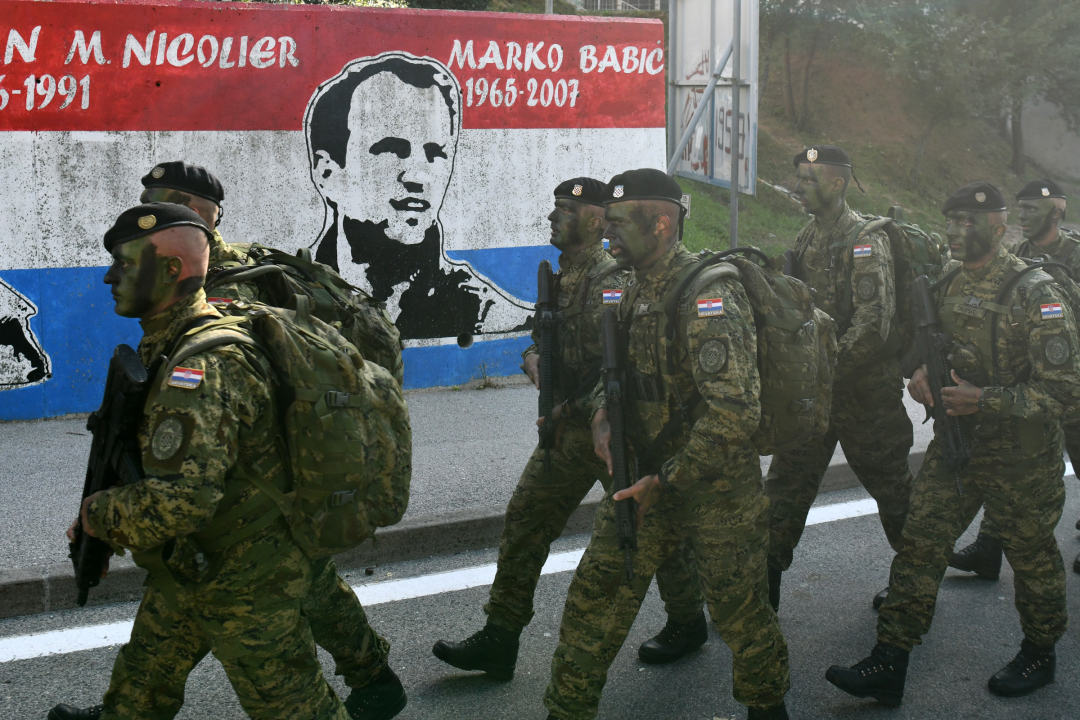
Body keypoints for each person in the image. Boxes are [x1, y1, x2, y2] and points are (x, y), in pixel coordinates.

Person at [49, 203, 351, 720]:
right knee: (146, 675)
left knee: (296, 709)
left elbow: (181, 503)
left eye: (124, 263)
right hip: (199, 560)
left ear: (172, 270)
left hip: (247, 577)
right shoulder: (177, 342)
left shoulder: (200, 368)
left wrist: (97, 515)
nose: (109, 276)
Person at [134, 161, 407, 719]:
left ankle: (359, 680)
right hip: (263, 476)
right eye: (157, 202)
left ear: (207, 217)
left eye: (178, 204)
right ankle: (373, 674)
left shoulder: (231, 284)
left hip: (269, 473)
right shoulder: (228, 265)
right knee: (299, 579)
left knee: (258, 600)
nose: (164, 214)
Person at [431, 178, 705, 679]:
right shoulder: (560, 276)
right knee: (525, 521)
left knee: (648, 529)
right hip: (566, 431)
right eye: (555, 207)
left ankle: (687, 621)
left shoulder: (615, 278)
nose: (553, 217)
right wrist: (536, 360)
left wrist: (583, 406)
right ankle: (500, 636)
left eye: (566, 208)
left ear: (597, 219)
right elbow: (539, 338)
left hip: (612, 431)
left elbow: (621, 363)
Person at [543, 169, 790, 720]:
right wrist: (605, 418)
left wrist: (668, 480)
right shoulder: (629, 288)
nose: (607, 235)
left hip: (716, 491)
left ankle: (768, 709)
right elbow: (624, 378)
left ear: (661, 223)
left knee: (743, 615)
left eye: (619, 223)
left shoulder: (709, 295)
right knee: (593, 600)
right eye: (605, 223)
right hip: (639, 478)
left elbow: (735, 410)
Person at [826, 182, 1080, 705]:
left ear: (999, 226)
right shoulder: (945, 282)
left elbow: (1063, 390)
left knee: (1031, 557)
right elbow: (920, 346)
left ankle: (1040, 651)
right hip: (957, 444)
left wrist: (983, 399)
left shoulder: (1037, 292)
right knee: (920, 543)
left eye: (970, 223)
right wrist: (918, 373)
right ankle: (889, 661)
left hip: (1023, 457)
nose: (958, 233)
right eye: (951, 223)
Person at [765, 145, 914, 611]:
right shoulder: (807, 237)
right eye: (797, 179)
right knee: (784, 490)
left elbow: (875, 323)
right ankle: (757, 596)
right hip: (815, 397)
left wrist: (824, 371)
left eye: (808, 180)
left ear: (837, 183)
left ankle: (914, 590)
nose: (798, 188)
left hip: (866, 398)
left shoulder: (865, 238)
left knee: (894, 493)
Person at [305, 52, 531, 341]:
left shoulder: (487, 314)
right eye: (391, 149)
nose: (417, 175)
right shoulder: (287, 291)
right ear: (328, 174)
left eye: (435, 153)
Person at [950, 178, 1080, 577]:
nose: (1025, 216)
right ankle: (990, 547)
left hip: (1068, 373)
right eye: (1020, 209)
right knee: (1007, 469)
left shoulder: (1074, 253)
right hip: (1031, 374)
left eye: (1033, 209)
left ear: (1056, 212)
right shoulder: (1018, 254)